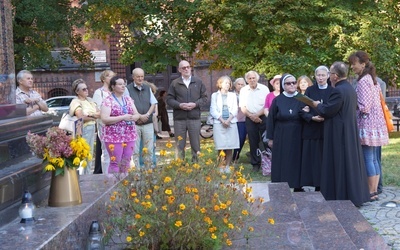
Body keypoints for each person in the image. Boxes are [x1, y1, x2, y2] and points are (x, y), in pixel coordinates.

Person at [311, 61, 370, 207]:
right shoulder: (349, 88)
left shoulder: (338, 90)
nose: (329, 76)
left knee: (340, 162)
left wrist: (317, 105)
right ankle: (353, 195)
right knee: (350, 162)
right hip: (348, 129)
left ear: (335, 76)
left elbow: (327, 111)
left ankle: (341, 194)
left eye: (330, 73)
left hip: (339, 133)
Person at [348, 51, 389, 201]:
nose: (352, 67)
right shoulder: (372, 79)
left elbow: (364, 106)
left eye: (354, 63)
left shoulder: (364, 80)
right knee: (372, 158)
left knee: (367, 158)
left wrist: (352, 103)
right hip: (375, 123)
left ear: (363, 64)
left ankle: (370, 192)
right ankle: (374, 191)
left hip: (367, 124)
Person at [266, 73, 304, 191]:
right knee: (281, 159)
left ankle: (297, 185)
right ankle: (280, 184)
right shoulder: (278, 100)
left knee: (297, 159)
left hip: (298, 133)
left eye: (294, 83)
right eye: (288, 83)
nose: (292, 85)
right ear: (283, 85)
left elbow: (308, 115)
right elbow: (271, 119)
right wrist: (270, 138)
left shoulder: (302, 99)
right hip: (281, 133)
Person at [166, 60, 207, 162]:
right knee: (179, 145)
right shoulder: (175, 83)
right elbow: (169, 99)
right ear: (179, 70)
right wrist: (179, 105)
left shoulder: (198, 82)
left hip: (194, 118)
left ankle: (196, 166)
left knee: (196, 145)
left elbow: (204, 98)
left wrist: (195, 104)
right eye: (183, 68)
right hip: (179, 119)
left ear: (190, 68)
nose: (186, 69)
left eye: (188, 67)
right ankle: (180, 167)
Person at [300, 66, 333, 191]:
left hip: (326, 128)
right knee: (313, 158)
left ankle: (324, 184)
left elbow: (332, 108)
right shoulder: (309, 90)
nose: (320, 78)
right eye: (318, 75)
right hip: (312, 129)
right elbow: (302, 109)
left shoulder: (332, 90)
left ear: (328, 76)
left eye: (323, 75)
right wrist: (311, 117)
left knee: (324, 157)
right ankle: (313, 182)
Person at [100, 76, 141, 173]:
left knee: (126, 162)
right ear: (113, 86)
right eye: (120, 84)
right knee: (115, 162)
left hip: (129, 135)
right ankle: (113, 185)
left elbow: (136, 114)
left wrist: (135, 117)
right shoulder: (108, 101)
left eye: (124, 84)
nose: (123, 86)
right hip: (114, 136)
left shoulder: (128, 99)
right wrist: (123, 117)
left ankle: (124, 185)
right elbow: (104, 119)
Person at [126, 68, 157, 168]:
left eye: (142, 76)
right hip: (135, 124)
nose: (140, 78)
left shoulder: (147, 88)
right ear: (133, 77)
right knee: (134, 150)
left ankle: (149, 172)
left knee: (149, 149)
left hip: (148, 123)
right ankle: (137, 173)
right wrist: (139, 116)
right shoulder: (128, 89)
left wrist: (147, 114)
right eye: (138, 76)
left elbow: (153, 103)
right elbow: (128, 104)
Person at [239, 70, 270, 172]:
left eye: (253, 78)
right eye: (249, 78)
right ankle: (255, 164)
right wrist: (251, 116)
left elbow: (267, 105)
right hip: (249, 118)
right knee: (253, 141)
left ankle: (267, 163)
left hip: (263, 117)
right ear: (246, 80)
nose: (252, 80)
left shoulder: (264, 89)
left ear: (257, 78)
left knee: (266, 141)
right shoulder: (243, 90)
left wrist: (257, 115)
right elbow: (242, 107)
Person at [69, 79, 100, 174]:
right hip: (82, 130)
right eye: (83, 89)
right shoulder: (75, 102)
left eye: (87, 88)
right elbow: (81, 117)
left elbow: (99, 113)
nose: (87, 90)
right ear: (77, 92)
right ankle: (82, 177)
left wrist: (90, 115)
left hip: (91, 129)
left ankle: (88, 176)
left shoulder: (90, 100)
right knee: (82, 154)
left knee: (90, 155)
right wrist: (93, 115)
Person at [210, 76, 240, 172]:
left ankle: (227, 166)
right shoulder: (214, 95)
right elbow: (213, 109)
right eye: (225, 83)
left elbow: (235, 109)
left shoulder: (232, 95)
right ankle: (221, 166)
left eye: (229, 83)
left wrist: (228, 120)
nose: (227, 84)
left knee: (230, 145)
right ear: (220, 84)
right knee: (221, 145)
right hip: (219, 123)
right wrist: (222, 120)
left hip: (231, 123)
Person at [93, 69, 116, 174]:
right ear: (103, 78)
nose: (112, 78)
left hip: (117, 125)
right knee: (106, 151)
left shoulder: (115, 91)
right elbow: (98, 110)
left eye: (113, 76)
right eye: (109, 76)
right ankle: (106, 175)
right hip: (105, 126)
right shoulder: (99, 93)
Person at [232, 78, 247, 162]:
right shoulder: (231, 95)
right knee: (234, 138)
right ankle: (230, 156)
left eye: (242, 84)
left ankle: (236, 156)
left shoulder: (247, 94)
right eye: (239, 84)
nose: (240, 86)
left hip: (244, 119)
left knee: (242, 138)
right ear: (235, 85)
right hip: (234, 119)